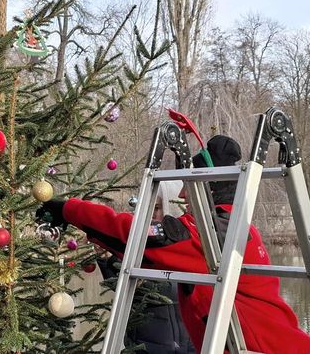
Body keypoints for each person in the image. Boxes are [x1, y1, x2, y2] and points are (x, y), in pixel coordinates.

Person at [37, 135, 310, 353]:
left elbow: (144, 235)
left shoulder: (215, 232)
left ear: (208, 188)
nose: (182, 195)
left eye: (188, 186)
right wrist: (79, 222)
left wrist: (69, 209)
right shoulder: (226, 229)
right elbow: (141, 250)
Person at [97, 180, 195, 353]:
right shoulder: (137, 245)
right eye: (147, 208)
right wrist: (107, 259)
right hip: (144, 348)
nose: (150, 215)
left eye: (156, 209)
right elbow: (120, 287)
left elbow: (166, 289)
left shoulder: (188, 247)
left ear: (170, 208)